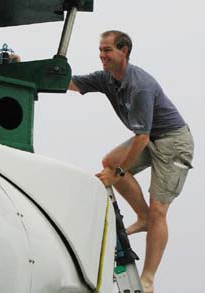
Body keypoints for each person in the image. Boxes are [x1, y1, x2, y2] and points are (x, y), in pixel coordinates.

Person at [68, 30, 194, 293]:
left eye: (107, 50)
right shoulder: (106, 79)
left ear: (123, 51)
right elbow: (70, 84)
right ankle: (142, 217)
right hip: (150, 137)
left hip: (173, 142)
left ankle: (148, 279)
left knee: (159, 209)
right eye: (100, 50)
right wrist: (32, 73)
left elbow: (141, 137)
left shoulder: (139, 86)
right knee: (109, 162)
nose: (102, 55)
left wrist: (119, 172)